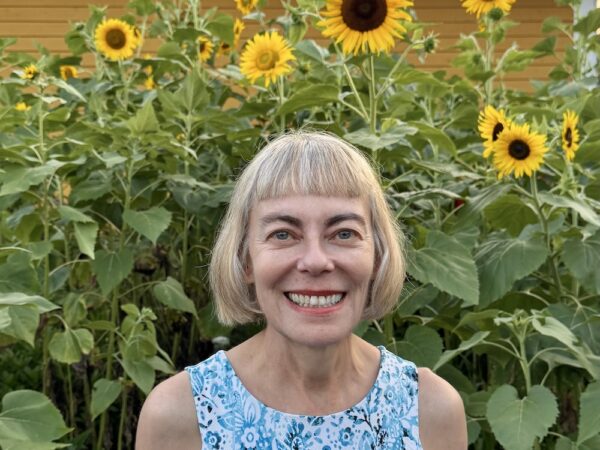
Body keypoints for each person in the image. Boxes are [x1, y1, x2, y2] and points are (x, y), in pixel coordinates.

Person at [136, 131, 467, 449]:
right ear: (245, 259)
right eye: (283, 234)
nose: (316, 261)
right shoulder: (181, 416)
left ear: (377, 255)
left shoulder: (429, 410)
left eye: (343, 233)